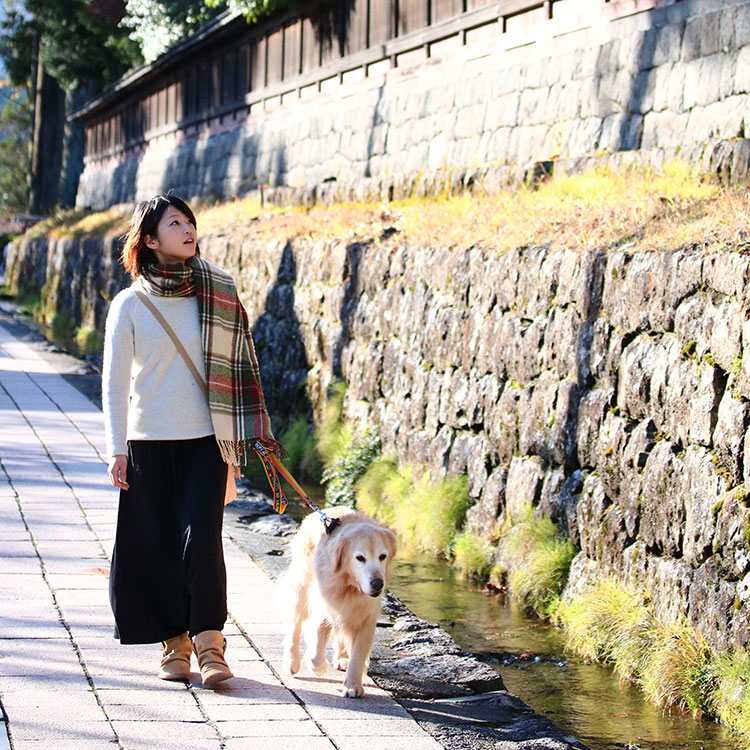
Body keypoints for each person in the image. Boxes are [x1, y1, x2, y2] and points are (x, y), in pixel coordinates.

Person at [103, 194, 281, 685]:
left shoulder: (217, 292)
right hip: (147, 443)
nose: (187, 230)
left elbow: (241, 365)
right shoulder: (129, 305)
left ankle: (209, 640)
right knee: (158, 544)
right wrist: (116, 448)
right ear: (151, 239)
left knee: (201, 539)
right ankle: (173, 642)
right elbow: (115, 383)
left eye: (189, 221)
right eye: (174, 223)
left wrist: (247, 431)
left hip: (207, 441)